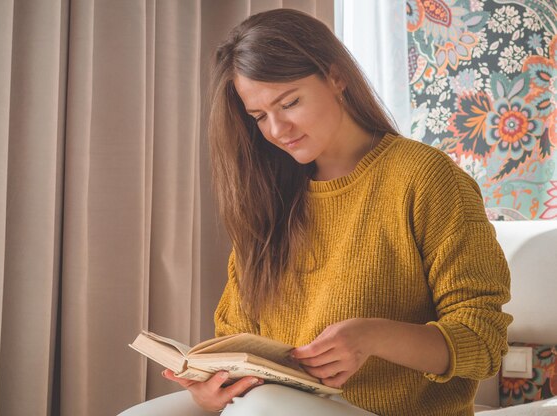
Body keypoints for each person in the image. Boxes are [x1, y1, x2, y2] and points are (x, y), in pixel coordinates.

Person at [120, 8, 512, 416]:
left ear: (337, 77)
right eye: (259, 117)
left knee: (263, 409)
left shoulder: (425, 178)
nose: (276, 130)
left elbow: (483, 343)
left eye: (288, 102)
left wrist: (373, 337)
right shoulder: (269, 193)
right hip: (274, 405)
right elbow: (235, 336)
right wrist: (213, 386)